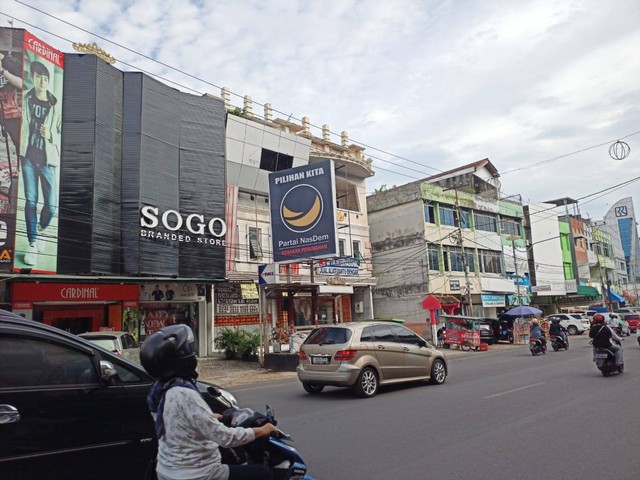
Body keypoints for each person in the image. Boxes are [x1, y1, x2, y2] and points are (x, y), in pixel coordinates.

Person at [140, 324, 278, 480]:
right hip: (197, 474)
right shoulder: (183, 393)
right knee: (264, 474)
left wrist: (211, 417)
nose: (192, 355)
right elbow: (225, 438)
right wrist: (262, 430)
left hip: (167, 470)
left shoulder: (160, 390)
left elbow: (178, 423)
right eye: (188, 350)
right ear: (179, 358)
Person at [20, 60, 61, 266]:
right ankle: (33, 243)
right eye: (39, 77)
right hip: (28, 157)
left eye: (46, 78)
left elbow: (63, 133)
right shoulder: (26, 97)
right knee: (31, 201)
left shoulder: (55, 104)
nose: (43, 81)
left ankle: (42, 231)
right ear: (33, 77)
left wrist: (51, 134)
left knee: (51, 206)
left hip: (48, 160)